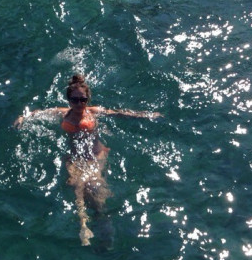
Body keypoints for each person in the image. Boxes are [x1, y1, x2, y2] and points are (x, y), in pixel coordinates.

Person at [14, 74, 162, 246]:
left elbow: (119, 113)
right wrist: (22, 117)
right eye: (74, 100)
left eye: (83, 100)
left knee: (94, 189)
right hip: (75, 157)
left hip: (95, 156)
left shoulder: (93, 112)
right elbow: (37, 113)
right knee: (77, 187)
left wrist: (146, 115)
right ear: (69, 100)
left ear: (87, 99)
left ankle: (102, 220)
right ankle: (83, 225)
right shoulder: (63, 113)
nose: (79, 104)